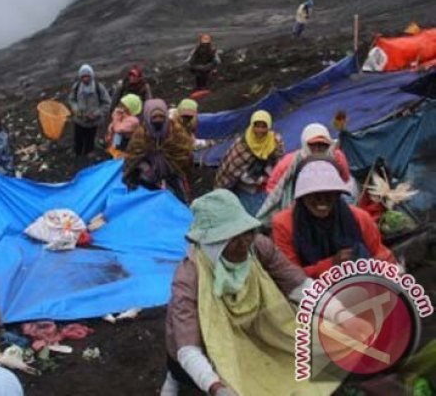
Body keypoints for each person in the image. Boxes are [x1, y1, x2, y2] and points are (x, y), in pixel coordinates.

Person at [162, 189, 346, 396]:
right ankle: (174, 378)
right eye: (233, 238)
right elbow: (188, 348)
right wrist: (215, 387)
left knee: (310, 352)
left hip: (257, 327)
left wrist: (342, 315)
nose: (244, 243)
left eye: (247, 233)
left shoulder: (258, 248)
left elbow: (299, 286)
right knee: (199, 374)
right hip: (211, 341)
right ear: (214, 244)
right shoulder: (189, 277)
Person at [272, 159, 396, 278]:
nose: (322, 200)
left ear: (337, 194)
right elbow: (289, 277)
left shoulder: (359, 217)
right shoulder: (284, 224)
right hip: (312, 294)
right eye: (313, 194)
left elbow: (383, 256)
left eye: (329, 193)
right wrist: (331, 265)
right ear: (302, 197)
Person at [258, 123, 355, 223]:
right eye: (313, 145)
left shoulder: (337, 157)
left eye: (322, 145)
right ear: (304, 144)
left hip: (330, 202)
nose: (317, 150)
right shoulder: (291, 161)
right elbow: (272, 185)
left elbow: (345, 178)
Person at [123, 99, 194, 204]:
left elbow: (185, 154)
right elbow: (133, 156)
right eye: (154, 117)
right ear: (147, 117)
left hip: (173, 174)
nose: (158, 120)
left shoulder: (176, 132)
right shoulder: (141, 135)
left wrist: (171, 163)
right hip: (148, 176)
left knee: (180, 202)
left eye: (161, 117)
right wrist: (143, 169)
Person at [214, 110, 284, 215]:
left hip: (267, 181)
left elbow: (279, 163)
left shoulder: (275, 141)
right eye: (257, 126)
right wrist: (260, 180)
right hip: (246, 185)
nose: (260, 130)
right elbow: (234, 170)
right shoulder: (242, 145)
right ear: (252, 126)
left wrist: (272, 177)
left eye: (263, 126)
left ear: (269, 127)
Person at [68, 64, 111, 157]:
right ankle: (77, 152)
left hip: (93, 121)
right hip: (79, 120)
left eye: (87, 76)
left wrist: (96, 114)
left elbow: (107, 103)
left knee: (90, 137)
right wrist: (76, 109)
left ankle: (89, 151)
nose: (85, 79)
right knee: (78, 137)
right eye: (83, 76)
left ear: (91, 76)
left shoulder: (98, 87)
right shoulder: (77, 87)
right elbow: (72, 99)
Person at [106, 93, 142, 158]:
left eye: (124, 105)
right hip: (115, 145)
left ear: (130, 107)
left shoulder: (133, 121)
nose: (121, 106)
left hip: (124, 149)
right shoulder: (124, 115)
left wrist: (116, 116)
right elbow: (113, 125)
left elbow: (118, 129)